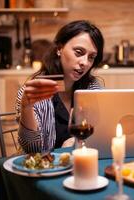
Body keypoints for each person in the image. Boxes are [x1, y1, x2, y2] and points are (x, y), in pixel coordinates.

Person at [16, 20, 104, 153]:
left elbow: (101, 133)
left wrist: (76, 141)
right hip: (46, 169)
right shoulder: (33, 91)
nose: (85, 63)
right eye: (79, 52)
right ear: (59, 49)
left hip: (79, 165)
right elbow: (32, 149)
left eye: (91, 57)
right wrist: (26, 106)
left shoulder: (92, 88)